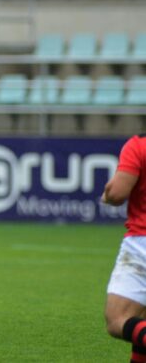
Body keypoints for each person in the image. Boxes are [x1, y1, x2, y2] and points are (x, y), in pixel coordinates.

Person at [102, 134, 146, 362]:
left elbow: (118, 193)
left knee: (118, 319)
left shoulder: (139, 145)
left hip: (142, 242)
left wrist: (107, 194)